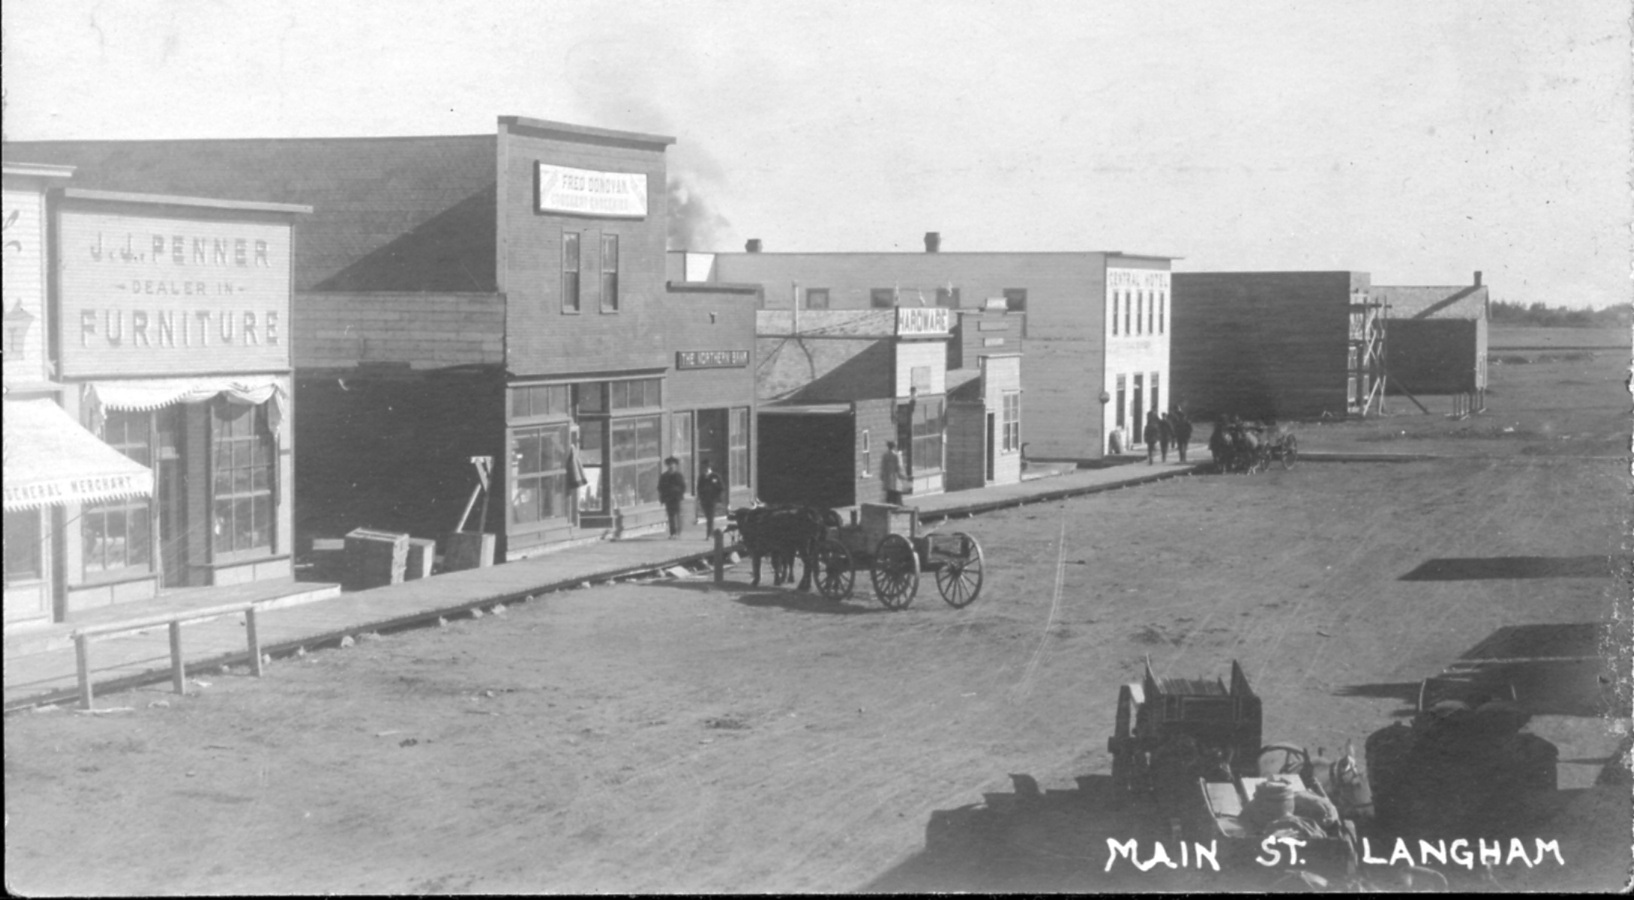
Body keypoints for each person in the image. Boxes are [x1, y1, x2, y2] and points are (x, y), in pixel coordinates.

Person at [696, 458, 725, 539]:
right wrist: (700, 497)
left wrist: (717, 497)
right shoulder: (701, 477)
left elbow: (721, 487)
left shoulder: (715, 476)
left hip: (712, 500)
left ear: (710, 468)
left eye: (707, 467)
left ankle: (709, 534)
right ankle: (710, 532)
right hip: (704, 500)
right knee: (708, 516)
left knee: (710, 517)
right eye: (704, 467)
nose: (705, 469)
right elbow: (699, 488)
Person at [658, 457, 686, 539]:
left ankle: (678, 532)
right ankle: (672, 533)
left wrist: (678, 493)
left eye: (672, 465)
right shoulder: (664, 476)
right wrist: (663, 496)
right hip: (668, 498)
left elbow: (683, 487)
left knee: (677, 515)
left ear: (675, 466)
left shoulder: (678, 476)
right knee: (670, 516)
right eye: (669, 465)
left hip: (676, 498)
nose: (671, 467)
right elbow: (660, 487)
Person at [881, 440, 907, 505]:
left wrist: (883, 476)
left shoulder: (885, 455)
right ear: (894, 446)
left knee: (889, 497)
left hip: (888, 480)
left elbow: (883, 467)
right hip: (896, 479)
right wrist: (904, 476)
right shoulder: (897, 456)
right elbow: (899, 467)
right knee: (897, 496)